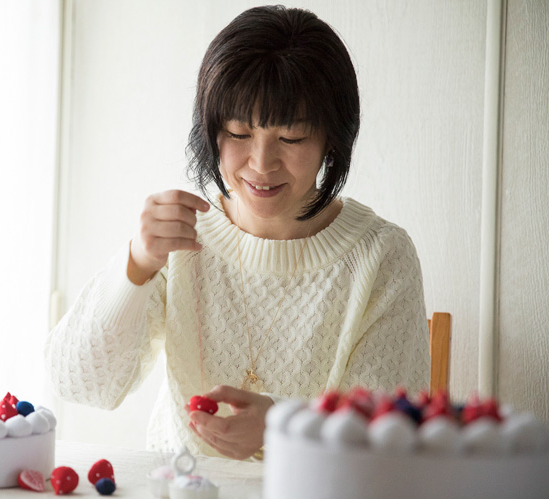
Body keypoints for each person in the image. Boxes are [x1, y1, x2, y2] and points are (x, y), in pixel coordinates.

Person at [44, 5, 429, 460]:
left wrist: (280, 427)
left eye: (291, 138)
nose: (261, 165)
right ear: (210, 132)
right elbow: (78, 383)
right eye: (238, 132)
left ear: (332, 139)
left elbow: (389, 440)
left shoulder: (381, 256)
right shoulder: (181, 239)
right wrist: (137, 263)